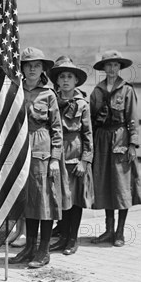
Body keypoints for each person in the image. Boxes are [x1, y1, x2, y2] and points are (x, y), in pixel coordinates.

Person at [9, 47, 64, 269]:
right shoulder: (15, 91)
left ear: (42, 69)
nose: (32, 69)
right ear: (21, 68)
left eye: (37, 65)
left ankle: (43, 250)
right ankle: (29, 247)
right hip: (21, 151)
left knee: (44, 202)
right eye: (28, 65)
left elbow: (57, 129)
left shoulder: (48, 94)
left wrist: (54, 159)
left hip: (42, 151)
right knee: (28, 202)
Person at [90, 50, 141, 247]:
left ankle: (119, 232)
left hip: (120, 139)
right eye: (108, 65)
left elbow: (133, 118)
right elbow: (92, 120)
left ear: (120, 67)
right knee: (105, 184)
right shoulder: (97, 91)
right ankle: (108, 230)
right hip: (102, 140)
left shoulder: (127, 90)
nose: (112, 69)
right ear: (103, 68)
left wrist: (132, 144)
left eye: (115, 65)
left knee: (121, 187)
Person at [48, 56, 94, 255]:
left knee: (74, 200)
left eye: (70, 77)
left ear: (76, 81)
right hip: (56, 154)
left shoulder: (82, 104)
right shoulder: (51, 99)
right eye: (62, 77)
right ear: (57, 81)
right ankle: (63, 236)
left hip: (74, 155)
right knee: (60, 198)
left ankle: (72, 240)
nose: (66, 80)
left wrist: (85, 160)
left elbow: (88, 134)